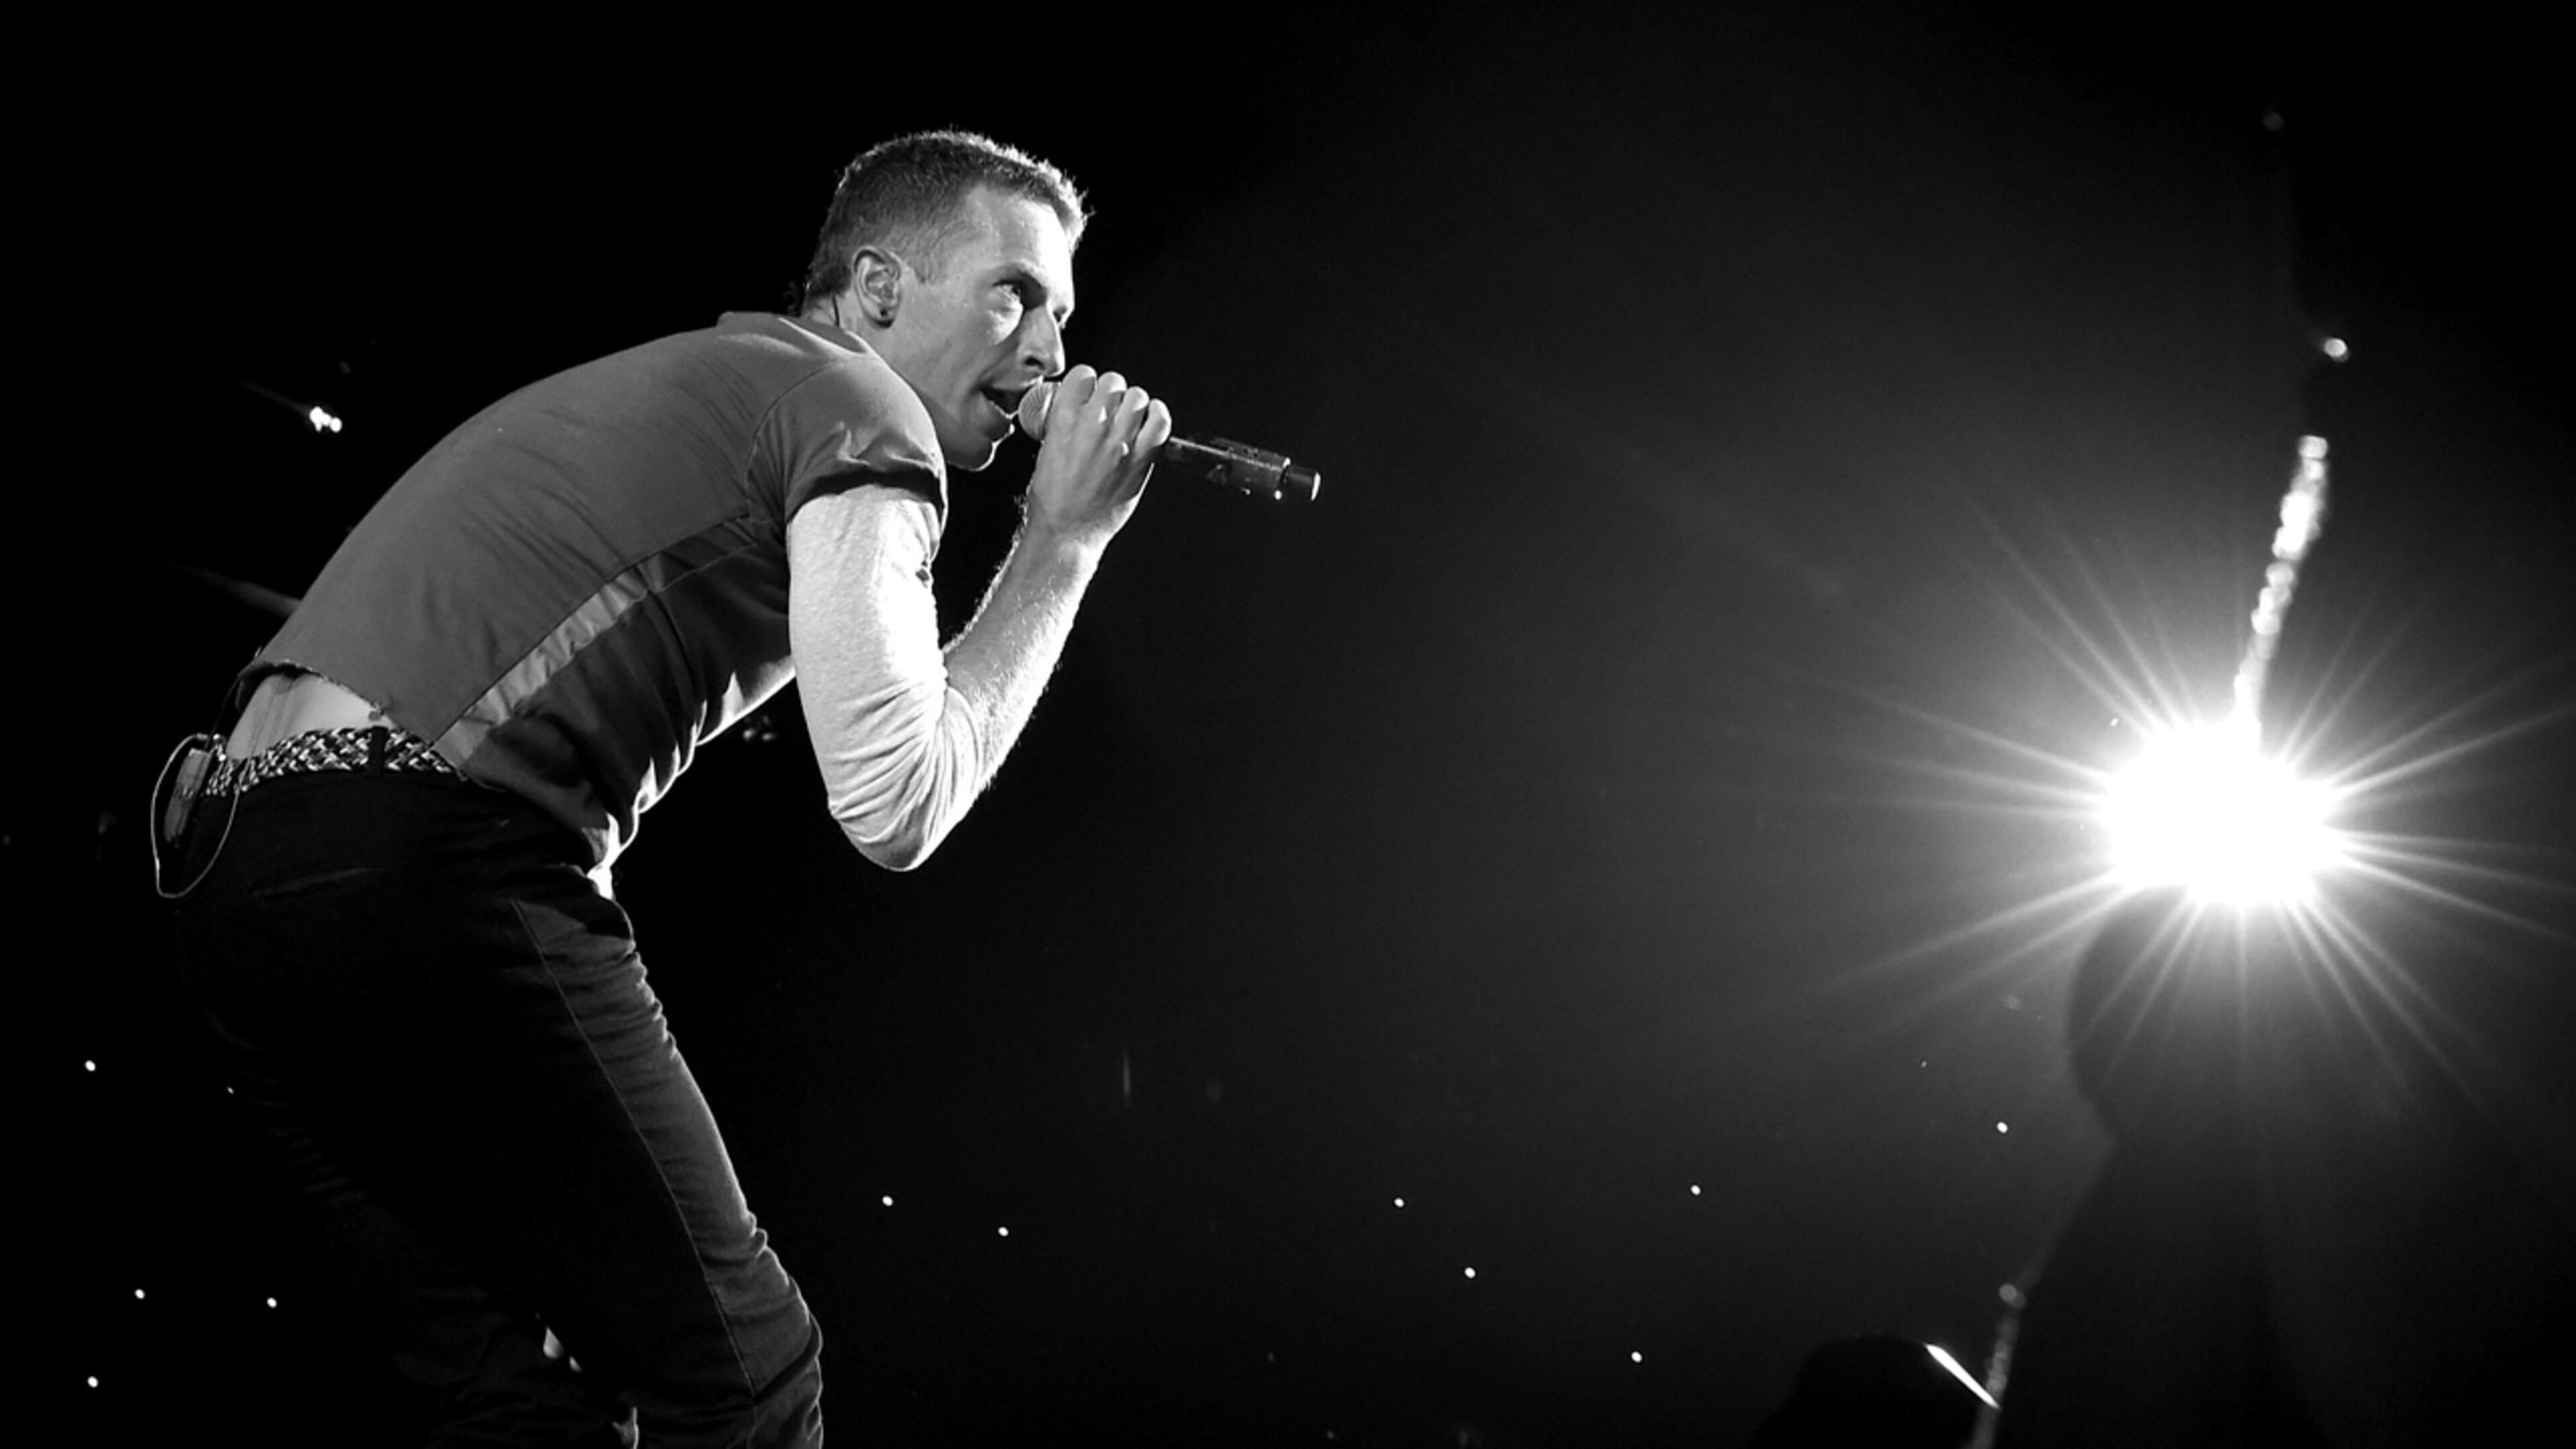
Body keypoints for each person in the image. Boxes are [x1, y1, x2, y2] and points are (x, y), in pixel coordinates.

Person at [156, 129, 1167, 1447]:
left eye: (1063, 314)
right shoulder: (860, 412)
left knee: (514, 1397)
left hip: (232, 872)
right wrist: (1064, 542)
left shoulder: (723, 379)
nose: (1051, 352)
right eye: (1013, 294)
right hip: (420, 852)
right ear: (876, 290)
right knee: (748, 1383)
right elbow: (897, 804)